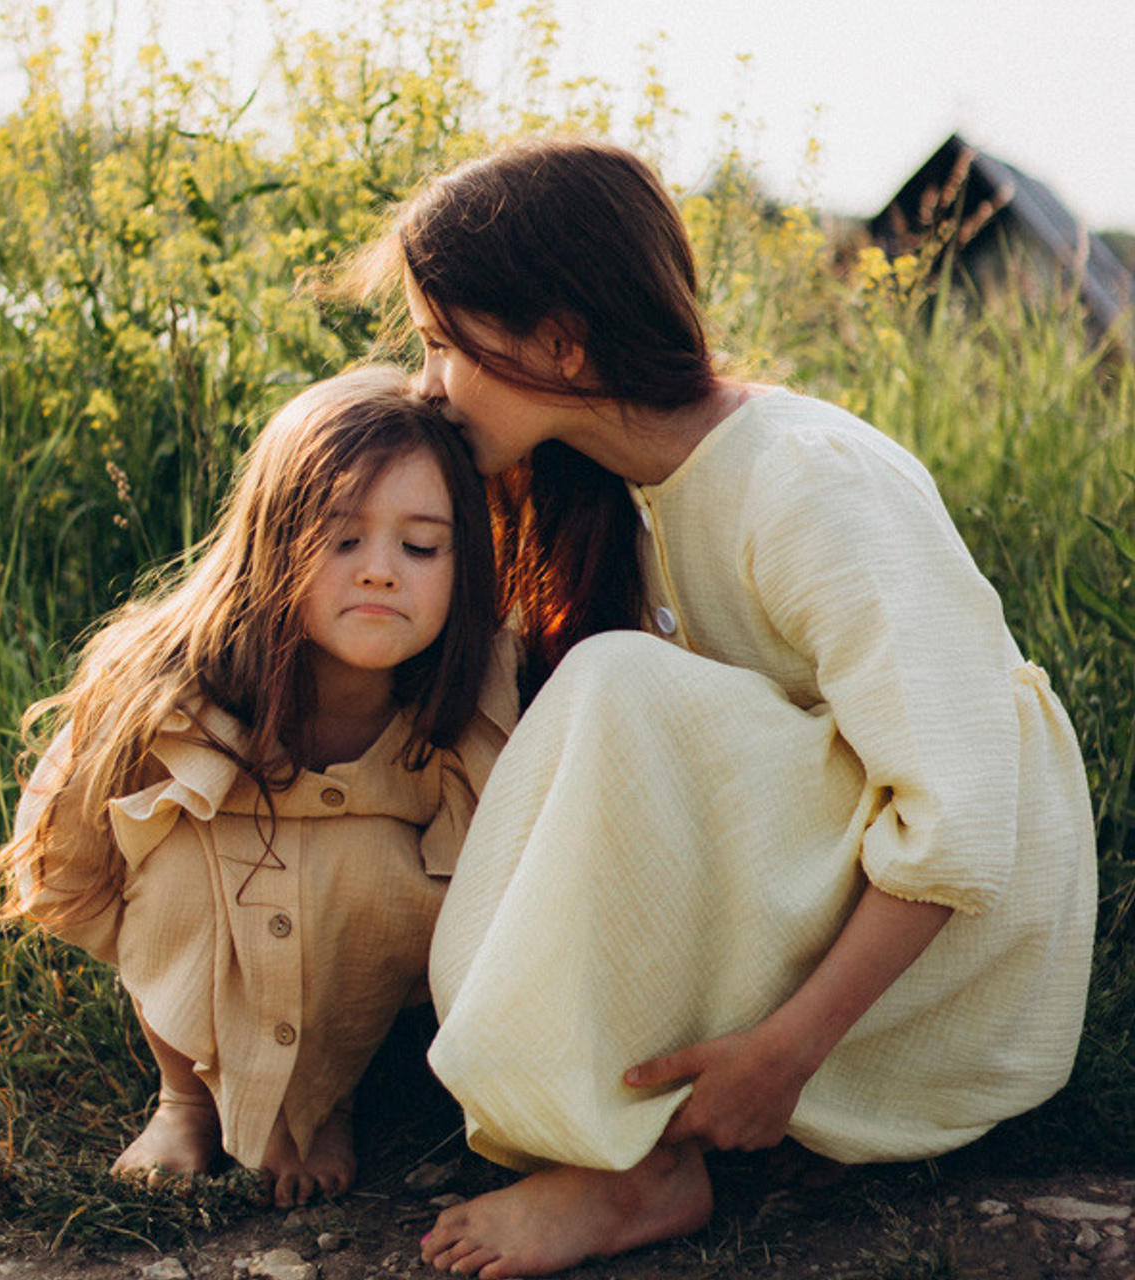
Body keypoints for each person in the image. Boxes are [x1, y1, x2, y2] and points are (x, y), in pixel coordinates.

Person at [350, 137, 1097, 1277]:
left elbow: (960, 817)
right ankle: (601, 1120)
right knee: (575, 693)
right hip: (833, 859)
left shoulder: (806, 477)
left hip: (960, 943)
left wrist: (786, 1050)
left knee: (614, 681)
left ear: (563, 340)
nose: (427, 380)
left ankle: (627, 1170)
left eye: (447, 341)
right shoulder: (622, 491)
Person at [0, 365, 518, 1207]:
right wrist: (101, 912)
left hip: (369, 945)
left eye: (419, 546)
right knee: (186, 866)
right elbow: (68, 843)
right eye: (342, 540)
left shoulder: (474, 692)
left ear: (465, 559)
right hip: (201, 904)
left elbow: (508, 872)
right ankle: (184, 1099)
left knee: (373, 872)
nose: (381, 571)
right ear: (273, 543)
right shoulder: (168, 679)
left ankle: (324, 1096)